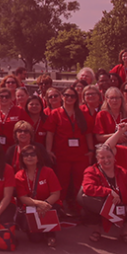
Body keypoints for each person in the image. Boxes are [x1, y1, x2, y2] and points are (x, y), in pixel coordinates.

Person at [79, 144, 127, 244]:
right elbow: (88, 188)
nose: (106, 160)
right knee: (86, 207)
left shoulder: (124, 173)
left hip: (122, 207)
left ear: (114, 158)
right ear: (97, 159)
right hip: (101, 207)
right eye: (102, 157)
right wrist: (109, 191)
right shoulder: (91, 171)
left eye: (109, 157)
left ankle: (125, 232)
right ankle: (97, 231)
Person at [45, 86, 94, 217]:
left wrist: (91, 150)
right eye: (67, 95)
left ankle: (81, 210)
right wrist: (48, 151)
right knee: (62, 183)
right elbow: (50, 133)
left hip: (81, 154)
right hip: (62, 154)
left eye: (72, 96)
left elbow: (88, 133)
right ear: (62, 96)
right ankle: (59, 209)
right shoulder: (55, 114)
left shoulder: (82, 114)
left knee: (81, 183)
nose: (69, 98)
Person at [14, 144, 62, 247]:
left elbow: (56, 193)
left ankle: (50, 233)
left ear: (38, 157)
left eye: (32, 154)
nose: (29, 157)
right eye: (26, 155)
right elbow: (23, 198)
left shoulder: (48, 171)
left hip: (49, 205)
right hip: (30, 206)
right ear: (22, 158)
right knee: (35, 240)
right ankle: (38, 230)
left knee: (50, 210)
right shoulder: (19, 175)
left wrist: (45, 204)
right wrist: (39, 204)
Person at [0, 85, 26, 156]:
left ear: (11, 98)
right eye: (1, 96)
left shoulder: (19, 111)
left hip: (14, 147)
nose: (4, 98)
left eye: (7, 97)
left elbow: (27, 129)